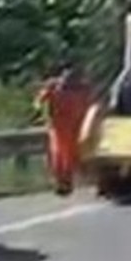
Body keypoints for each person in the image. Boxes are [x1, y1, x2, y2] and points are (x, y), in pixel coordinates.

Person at [36, 64, 92, 196]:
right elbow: (40, 103)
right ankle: (64, 181)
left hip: (70, 126)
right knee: (63, 155)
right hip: (63, 126)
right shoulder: (57, 88)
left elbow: (39, 103)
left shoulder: (57, 88)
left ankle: (66, 181)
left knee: (64, 155)